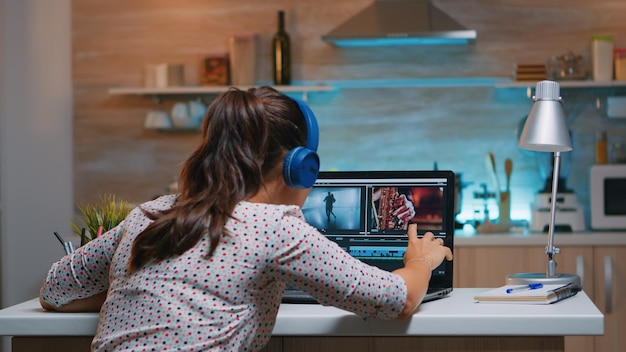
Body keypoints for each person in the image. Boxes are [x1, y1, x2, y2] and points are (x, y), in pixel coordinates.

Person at [39, 86, 453, 351]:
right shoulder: (276, 227)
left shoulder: (148, 213)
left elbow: (55, 291)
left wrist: (133, 283)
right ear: (302, 167)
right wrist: (419, 261)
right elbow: (395, 300)